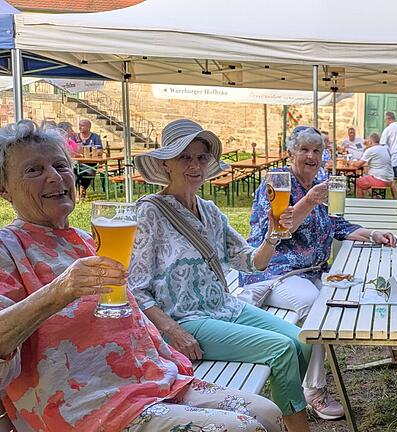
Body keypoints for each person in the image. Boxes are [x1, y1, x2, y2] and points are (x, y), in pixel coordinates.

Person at [0, 120, 283, 432]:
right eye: (34, 170)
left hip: (150, 380)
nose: (55, 177)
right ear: (4, 189)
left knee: (268, 412)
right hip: (84, 405)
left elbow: (129, 307)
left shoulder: (83, 239)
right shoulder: (8, 249)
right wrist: (60, 290)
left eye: (60, 165)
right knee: (243, 428)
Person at [129, 119, 313, 431]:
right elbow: (135, 288)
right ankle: (296, 427)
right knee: (282, 350)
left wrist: (273, 233)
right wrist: (172, 329)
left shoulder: (211, 211)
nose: (194, 165)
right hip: (184, 319)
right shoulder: (151, 211)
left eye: (201, 157)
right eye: (184, 157)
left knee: (302, 341)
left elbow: (251, 262)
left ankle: (282, 409)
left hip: (225, 307)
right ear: (165, 164)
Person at [239, 125, 397, 418]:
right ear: (290, 154)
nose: (311, 156)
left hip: (312, 271)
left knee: (349, 292)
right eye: (304, 149)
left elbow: (338, 224)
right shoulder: (276, 184)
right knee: (315, 306)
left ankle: (311, 377)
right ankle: (314, 390)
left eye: (317, 150)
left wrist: (373, 233)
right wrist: (309, 200)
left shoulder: (324, 181)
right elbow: (276, 233)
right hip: (276, 272)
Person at [352, 132, 395, 198]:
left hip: (380, 179)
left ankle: (360, 203)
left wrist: (350, 162)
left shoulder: (371, 150)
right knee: (367, 178)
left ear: (370, 142)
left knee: (358, 182)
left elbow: (358, 165)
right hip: (389, 179)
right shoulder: (385, 148)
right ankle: (376, 197)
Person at [73, 119, 103, 200]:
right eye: (79, 125)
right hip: (76, 162)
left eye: (82, 125)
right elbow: (72, 150)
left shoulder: (95, 137)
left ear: (89, 127)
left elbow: (100, 151)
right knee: (73, 173)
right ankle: (75, 192)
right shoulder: (75, 137)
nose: (80, 127)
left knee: (89, 172)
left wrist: (88, 153)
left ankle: (82, 188)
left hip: (90, 163)